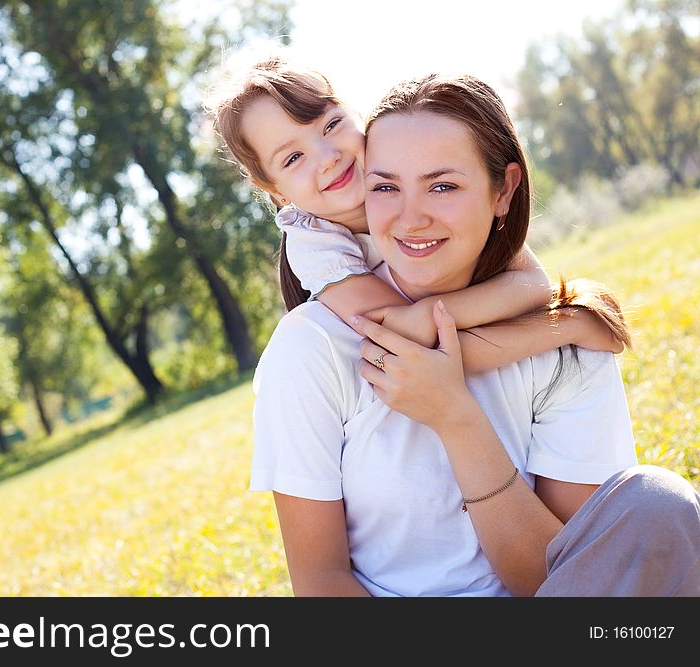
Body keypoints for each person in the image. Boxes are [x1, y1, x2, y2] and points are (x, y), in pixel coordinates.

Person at [240, 71, 700, 596]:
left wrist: (461, 415)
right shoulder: (313, 335)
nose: (412, 219)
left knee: (659, 504)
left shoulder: (561, 343)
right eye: (387, 187)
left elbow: (569, 578)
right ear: (276, 190)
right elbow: (321, 580)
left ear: (503, 190)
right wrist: (559, 328)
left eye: (442, 185)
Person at [206, 56, 625, 374]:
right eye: (294, 157)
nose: (328, 157)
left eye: (330, 125)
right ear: (275, 190)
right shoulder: (316, 244)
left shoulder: (406, 170)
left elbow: (532, 283)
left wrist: (434, 315)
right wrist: (565, 327)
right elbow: (414, 345)